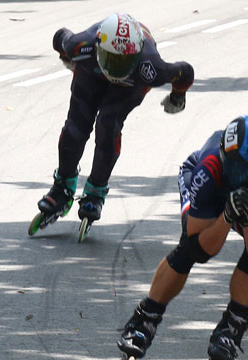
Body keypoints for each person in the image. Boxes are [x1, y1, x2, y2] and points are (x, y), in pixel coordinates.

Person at [117, 115, 248, 360]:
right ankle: (146, 317)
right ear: (225, 160)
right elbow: (200, 249)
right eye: (240, 169)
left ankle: (234, 322)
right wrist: (227, 217)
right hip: (211, 189)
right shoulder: (208, 168)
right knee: (188, 250)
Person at [36, 13, 194, 224]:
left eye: (124, 61)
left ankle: (96, 191)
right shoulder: (79, 45)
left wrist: (178, 97)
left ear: (137, 55)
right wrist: (69, 58)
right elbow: (60, 38)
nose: (116, 68)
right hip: (91, 71)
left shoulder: (152, 68)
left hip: (133, 81)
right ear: (98, 48)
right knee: (76, 128)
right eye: (111, 58)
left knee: (108, 125)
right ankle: (62, 185)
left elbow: (184, 72)